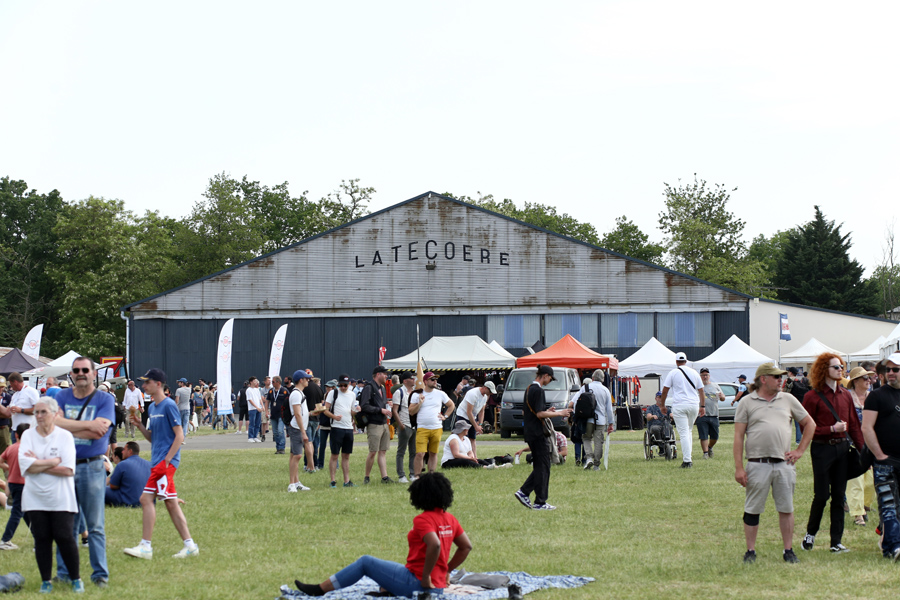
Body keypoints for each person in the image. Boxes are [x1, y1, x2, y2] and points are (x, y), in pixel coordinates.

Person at [293, 472, 471, 597]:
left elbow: (435, 545)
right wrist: (446, 569)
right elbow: (466, 547)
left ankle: (320, 589)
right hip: (437, 587)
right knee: (390, 568)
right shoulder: (450, 519)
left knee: (365, 562)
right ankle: (387, 590)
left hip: (419, 585)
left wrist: (425, 578)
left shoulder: (423, 519)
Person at [734, 363, 814, 564]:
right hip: (756, 463)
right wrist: (739, 468)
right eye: (776, 377)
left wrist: (800, 451)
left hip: (783, 465)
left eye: (781, 376)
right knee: (752, 508)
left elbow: (810, 424)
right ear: (763, 379)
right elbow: (738, 436)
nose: (781, 380)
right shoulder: (747, 402)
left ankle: (788, 550)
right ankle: (750, 551)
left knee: (786, 508)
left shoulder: (788, 399)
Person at [124, 368, 199, 560]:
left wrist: (167, 460)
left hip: (165, 463)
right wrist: (140, 425)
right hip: (158, 461)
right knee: (171, 503)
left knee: (145, 499)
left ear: (158, 384)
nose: (143, 385)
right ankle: (190, 545)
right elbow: (153, 438)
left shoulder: (168, 405)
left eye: (147, 382)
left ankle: (146, 546)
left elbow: (179, 435)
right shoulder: (152, 408)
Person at [53, 357, 115, 588]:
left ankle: (100, 575)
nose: (80, 373)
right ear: (72, 373)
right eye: (76, 370)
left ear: (93, 373)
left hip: (92, 467)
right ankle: (64, 573)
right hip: (65, 467)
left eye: (85, 370)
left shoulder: (105, 398)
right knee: (66, 525)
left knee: (95, 525)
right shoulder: (61, 396)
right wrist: (88, 426)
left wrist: (66, 424)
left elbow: (100, 432)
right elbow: (53, 424)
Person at [19, 397, 85, 593]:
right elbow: (24, 466)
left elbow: (68, 470)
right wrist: (53, 461)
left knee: (65, 537)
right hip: (34, 497)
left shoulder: (64, 436)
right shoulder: (28, 436)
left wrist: (37, 463)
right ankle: (45, 581)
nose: (38, 416)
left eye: (43, 412)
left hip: (60, 496)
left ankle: (76, 579)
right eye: (36, 412)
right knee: (41, 538)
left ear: (55, 414)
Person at [800, 353, 864, 554]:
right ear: (823, 370)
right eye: (836, 367)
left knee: (839, 495)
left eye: (841, 366)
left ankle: (836, 542)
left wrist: (864, 452)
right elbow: (805, 429)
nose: (840, 370)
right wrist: (831, 429)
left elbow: (854, 426)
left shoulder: (846, 395)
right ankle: (810, 534)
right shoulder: (812, 397)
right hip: (821, 449)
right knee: (821, 495)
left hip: (843, 449)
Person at [514, 365, 572, 511]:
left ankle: (525, 493)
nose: (549, 382)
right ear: (545, 375)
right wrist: (559, 413)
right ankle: (538, 501)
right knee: (544, 466)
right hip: (538, 433)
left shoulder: (528, 389)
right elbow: (539, 414)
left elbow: (528, 411)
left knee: (541, 466)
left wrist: (547, 411)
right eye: (550, 379)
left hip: (530, 432)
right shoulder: (539, 390)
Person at [861, 352, 900, 561]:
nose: (890, 373)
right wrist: (879, 455)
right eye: (888, 369)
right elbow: (866, 428)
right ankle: (894, 547)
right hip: (884, 463)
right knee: (888, 505)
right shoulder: (876, 395)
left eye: (896, 369)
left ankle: (888, 544)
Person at [660, 352, 704, 468]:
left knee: (684, 433)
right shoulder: (694, 372)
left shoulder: (673, 373)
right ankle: (688, 456)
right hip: (694, 404)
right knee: (688, 431)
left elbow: (665, 391)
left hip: (680, 405)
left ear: (676, 362)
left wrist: (662, 405)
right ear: (686, 360)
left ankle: (687, 460)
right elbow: (701, 391)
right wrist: (703, 406)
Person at [845, 366, 876, 527]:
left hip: (872, 444)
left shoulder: (873, 397)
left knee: (871, 482)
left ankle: (864, 506)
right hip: (852, 444)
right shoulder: (848, 399)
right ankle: (858, 515)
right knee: (855, 481)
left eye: (869, 378)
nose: (869, 381)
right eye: (865, 378)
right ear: (856, 381)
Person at [410, 372, 455, 478]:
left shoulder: (440, 394)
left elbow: (451, 405)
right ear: (425, 381)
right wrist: (420, 403)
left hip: (437, 427)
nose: (435, 381)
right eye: (432, 379)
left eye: (436, 380)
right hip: (422, 427)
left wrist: (445, 416)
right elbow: (411, 411)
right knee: (420, 453)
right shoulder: (417, 395)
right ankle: (417, 476)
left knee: (433, 452)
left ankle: (431, 475)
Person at [570, 370, 614, 471]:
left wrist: (578, 415)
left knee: (586, 438)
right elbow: (609, 409)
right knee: (598, 442)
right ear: (603, 379)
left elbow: (576, 402)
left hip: (587, 419)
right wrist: (611, 423)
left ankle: (589, 457)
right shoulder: (605, 390)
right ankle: (596, 464)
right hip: (601, 420)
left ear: (593, 378)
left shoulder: (585, 388)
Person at [359, 365, 396, 484]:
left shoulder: (383, 388)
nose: (387, 376)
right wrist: (380, 410)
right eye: (385, 374)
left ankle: (384, 477)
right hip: (374, 424)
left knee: (383, 451)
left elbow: (380, 403)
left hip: (384, 423)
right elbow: (364, 406)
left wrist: (386, 404)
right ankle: (366, 477)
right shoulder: (368, 388)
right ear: (378, 374)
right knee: (373, 451)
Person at [325, 375, 360, 488]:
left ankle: (346, 481)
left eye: (345, 385)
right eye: (341, 385)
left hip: (348, 428)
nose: (343, 388)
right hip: (336, 427)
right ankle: (333, 480)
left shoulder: (352, 394)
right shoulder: (333, 393)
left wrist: (357, 411)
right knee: (334, 455)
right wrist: (334, 417)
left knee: (346, 455)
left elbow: (351, 411)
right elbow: (325, 410)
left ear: (349, 384)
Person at [0, 423, 29, 550]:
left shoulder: (11, 448)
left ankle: (38, 537)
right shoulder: (28, 449)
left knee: (27, 511)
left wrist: (9, 467)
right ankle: (5, 540)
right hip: (23, 483)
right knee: (17, 512)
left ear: (16, 434)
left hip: (12, 483)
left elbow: (0, 460)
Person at [454, 380, 497, 460]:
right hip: (463, 415)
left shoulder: (485, 396)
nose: (491, 393)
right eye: (490, 391)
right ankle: (464, 457)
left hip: (472, 416)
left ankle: (474, 457)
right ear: (485, 388)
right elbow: (468, 412)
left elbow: (481, 411)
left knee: (473, 438)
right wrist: (475, 426)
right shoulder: (473, 394)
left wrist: (480, 425)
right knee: (464, 437)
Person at [105, 441, 151, 508]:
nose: (122, 452)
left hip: (128, 500)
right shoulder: (149, 464)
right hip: (146, 500)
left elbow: (113, 486)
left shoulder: (122, 464)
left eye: (124, 449)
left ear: (130, 451)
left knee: (103, 490)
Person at [287, 370, 312, 492]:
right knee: (297, 455)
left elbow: (301, 412)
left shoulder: (299, 393)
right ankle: (292, 484)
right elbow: (297, 413)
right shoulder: (296, 394)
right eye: (306, 379)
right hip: (297, 428)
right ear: (301, 380)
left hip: (298, 427)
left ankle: (296, 482)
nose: (308, 380)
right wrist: (303, 432)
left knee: (294, 455)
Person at [392, 372, 417, 483]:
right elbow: (395, 410)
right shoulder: (399, 392)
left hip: (414, 426)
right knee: (401, 451)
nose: (414, 380)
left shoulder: (415, 392)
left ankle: (412, 473)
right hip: (405, 425)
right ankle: (401, 475)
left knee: (414, 451)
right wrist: (400, 425)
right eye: (412, 378)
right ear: (405, 381)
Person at [698, 368, 725, 459]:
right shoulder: (697, 386)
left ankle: (710, 447)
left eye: (706, 375)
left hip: (714, 414)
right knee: (703, 435)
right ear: (700, 376)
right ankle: (705, 453)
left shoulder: (715, 386)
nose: (705, 377)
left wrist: (722, 396)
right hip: (702, 415)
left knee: (715, 436)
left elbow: (723, 398)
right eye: (703, 375)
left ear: (709, 376)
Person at [7, 372, 39, 441]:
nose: (11, 386)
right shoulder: (15, 395)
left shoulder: (31, 391)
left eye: (11, 383)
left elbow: (38, 410)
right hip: (15, 429)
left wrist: (21, 410)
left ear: (15, 382)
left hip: (27, 430)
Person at [304, 373, 324, 469]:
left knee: (308, 442)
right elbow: (321, 404)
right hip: (316, 418)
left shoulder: (303, 388)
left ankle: (308, 464)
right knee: (315, 442)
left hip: (307, 418)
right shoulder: (319, 389)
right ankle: (315, 464)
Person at [316, 380, 337, 470]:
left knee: (334, 446)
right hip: (324, 424)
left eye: (330, 387)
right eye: (327, 387)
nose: (328, 389)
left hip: (333, 424)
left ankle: (336, 465)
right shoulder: (324, 395)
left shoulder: (337, 397)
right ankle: (320, 464)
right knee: (322, 445)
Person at [267, 376, 290, 455]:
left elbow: (289, 402)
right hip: (273, 415)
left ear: (278, 382)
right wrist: (266, 411)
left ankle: (282, 447)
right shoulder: (271, 391)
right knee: (275, 432)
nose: (272, 383)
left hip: (282, 415)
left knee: (280, 431)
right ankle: (278, 448)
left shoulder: (284, 391)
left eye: (273, 382)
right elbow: (267, 401)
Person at [246, 377, 263, 443]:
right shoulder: (248, 390)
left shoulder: (257, 390)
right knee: (252, 423)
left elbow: (260, 399)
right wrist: (256, 407)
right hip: (252, 409)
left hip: (258, 409)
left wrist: (262, 406)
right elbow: (250, 400)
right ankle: (250, 437)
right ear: (251, 382)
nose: (256, 382)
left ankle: (255, 436)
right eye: (254, 381)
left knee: (258, 423)